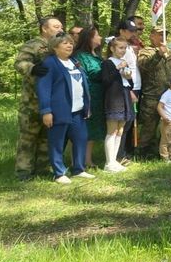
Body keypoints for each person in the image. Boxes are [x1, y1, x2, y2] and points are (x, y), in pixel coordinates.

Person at [37, 33, 94, 183]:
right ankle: (59, 173)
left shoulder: (74, 61)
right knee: (57, 142)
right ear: (55, 47)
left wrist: (86, 107)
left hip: (78, 110)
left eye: (70, 43)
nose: (69, 45)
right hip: (59, 110)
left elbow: (83, 85)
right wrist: (46, 111)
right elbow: (43, 88)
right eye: (65, 43)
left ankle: (79, 169)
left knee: (81, 138)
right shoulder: (50, 63)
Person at [14, 16, 64, 180]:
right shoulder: (33, 45)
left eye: (61, 27)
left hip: (51, 101)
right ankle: (23, 172)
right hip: (32, 102)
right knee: (28, 137)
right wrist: (33, 68)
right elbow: (20, 63)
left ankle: (43, 168)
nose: (60, 29)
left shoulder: (58, 47)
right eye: (56, 26)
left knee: (46, 137)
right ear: (44, 28)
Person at [137, 26, 171, 157]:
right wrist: (158, 55)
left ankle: (168, 150)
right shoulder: (146, 52)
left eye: (165, 34)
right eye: (159, 34)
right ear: (152, 36)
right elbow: (144, 66)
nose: (163, 37)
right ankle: (144, 152)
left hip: (170, 97)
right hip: (152, 96)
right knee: (149, 126)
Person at [74, 26, 106, 168]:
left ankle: (87, 159)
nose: (100, 38)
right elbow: (90, 74)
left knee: (93, 129)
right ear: (89, 38)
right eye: (97, 35)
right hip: (88, 95)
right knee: (85, 127)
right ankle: (79, 160)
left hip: (99, 95)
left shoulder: (96, 55)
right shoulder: (80, 55)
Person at [101, 37, 134, 172]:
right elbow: (106, 81)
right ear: (112, 48)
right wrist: (117, 68)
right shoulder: (107, 63)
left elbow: (129, 84)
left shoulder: (123, 62)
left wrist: (129, 77)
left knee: (120, 130)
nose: (123, 50)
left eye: (125, 48)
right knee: (112, 130)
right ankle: (109, 163)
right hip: (114, 99)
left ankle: (114, 161)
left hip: (124, 97)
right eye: (120, 47)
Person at [115, 19, 141, 163]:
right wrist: (130, 90)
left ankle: (126, 151)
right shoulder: (117, 45)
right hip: (127, 88)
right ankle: (119, 155)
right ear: (121, 31)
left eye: (134, 31)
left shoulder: (129, 46)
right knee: (124, 122)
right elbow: (120, 70)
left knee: (130, 122)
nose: (133, 33)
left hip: (135, 86)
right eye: (130, 31)